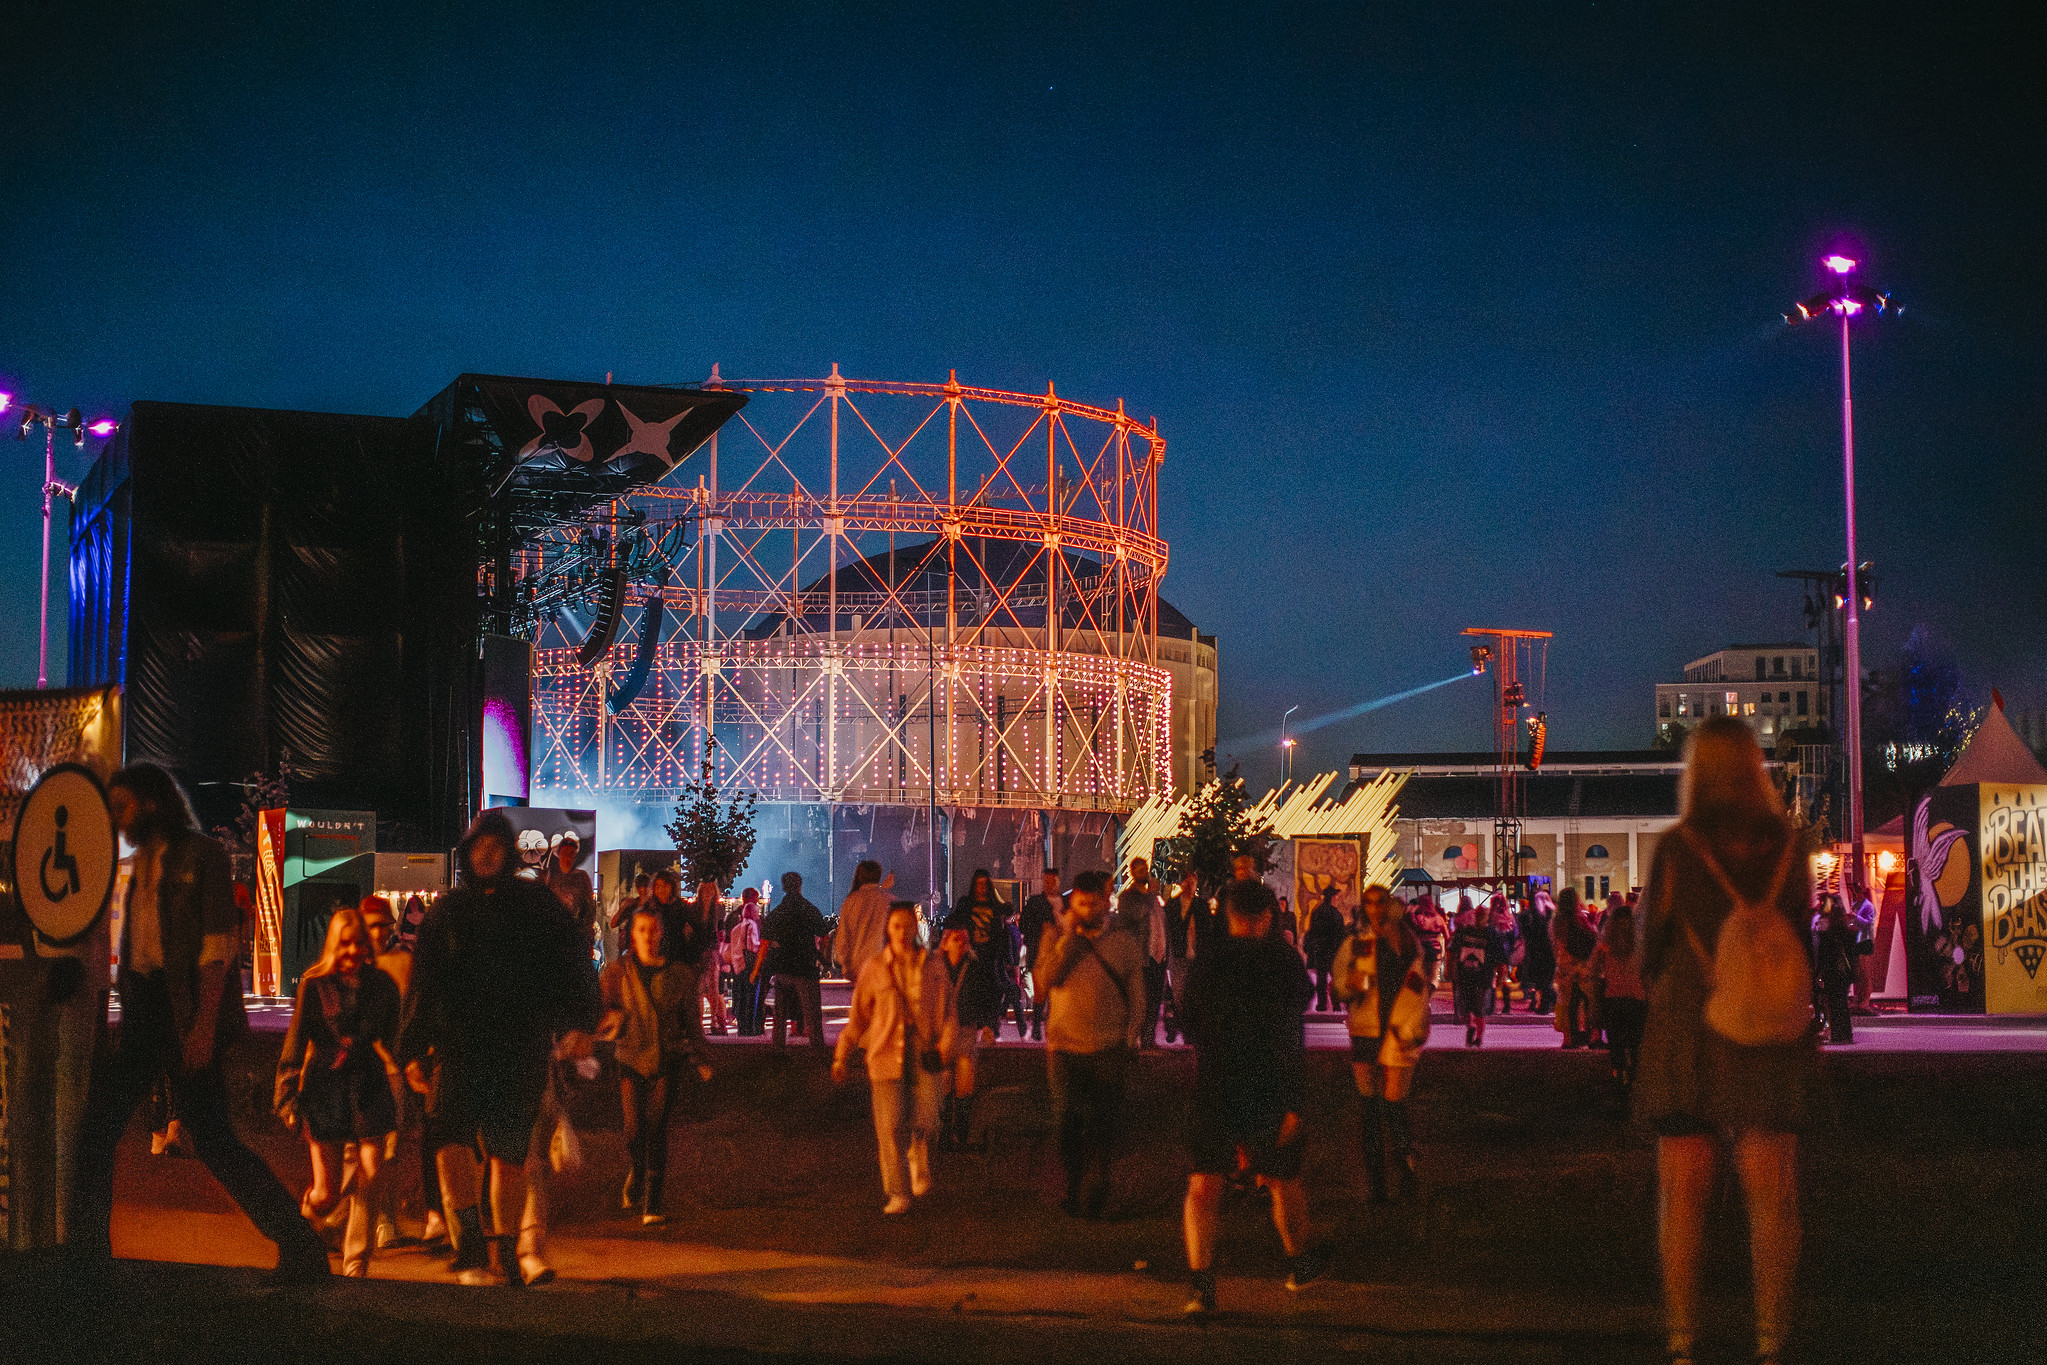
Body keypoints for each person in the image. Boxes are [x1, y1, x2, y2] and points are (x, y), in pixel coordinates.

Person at [72, 763, 332, 1281]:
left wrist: (203, 1025)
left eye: (123, 806)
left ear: (151, 802)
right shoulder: (138, 863)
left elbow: (217, 950)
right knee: (99, 1126)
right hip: (148, 1006)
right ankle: (86, 1253)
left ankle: (302, 1247)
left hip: (184, 1008)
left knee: (212, 1141)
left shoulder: (201, 856)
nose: (117, 818)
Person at [1638, 718, 1815, 1365]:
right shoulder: (1790, 847)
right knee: (1772, 1197)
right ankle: (1771, 1340)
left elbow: (1646, 949)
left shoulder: (1677, 849)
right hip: (1767, 1040)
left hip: (1689, 1032)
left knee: (1681, 1197)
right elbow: (1801, 936)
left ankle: (1683, 1340)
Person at [398, 809, 601, 1286]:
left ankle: (505, 1249)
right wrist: (411, 1049)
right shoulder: (448, 910)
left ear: (507, 852)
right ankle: (469, 1241)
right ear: (468, 851)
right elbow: (423, 981)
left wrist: (581, 1022)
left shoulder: (538, 905)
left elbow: (573, 965)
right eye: (479, 845)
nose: (487, 852)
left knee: (509, 1154)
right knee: (449, 1142)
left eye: (495, 845)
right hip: (459, 1046)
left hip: (519, 1045)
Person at [1177, 875, 1327, 1313]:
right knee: (1282, 1179)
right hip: (1268, 1083)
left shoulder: (1208, 961)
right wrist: (1295, 1100)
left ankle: (1201, 1285)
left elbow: (1190, 1024)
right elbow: (1291, 1028)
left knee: (1204, 1183)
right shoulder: (1281, 961)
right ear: (1266, 916)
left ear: (1228, 916)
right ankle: (1300, 1263)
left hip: (1216, 1082)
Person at [274, 905, 402, 1276]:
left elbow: (395, 1039)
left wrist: (416, 1066)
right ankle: (301, 1234)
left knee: (372, 1169)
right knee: (326, 1195)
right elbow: (295, 1046)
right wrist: (286, 1097)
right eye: (345, 944)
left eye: (359, 944)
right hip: (325, 1086)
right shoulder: (315, 986)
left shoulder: (382, 987)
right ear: (334, 945)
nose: (352, 952)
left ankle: (355, 1264)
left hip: (367, 1082)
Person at [832, 900, 959, 1214]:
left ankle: (919, 1151)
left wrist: (947, 1045)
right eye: (896, 926)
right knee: (889, 1126)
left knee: (928, 1118)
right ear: (888, 929)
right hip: (885, 1053)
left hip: (925, 1052)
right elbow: (858, 1017)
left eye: (907, 926)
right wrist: (841, 1055)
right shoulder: (875, 967)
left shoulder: (934, 964)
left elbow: (949, 1012)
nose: (902, 932)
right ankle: (897, 1192)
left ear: (916, 928)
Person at [1035, 868, 1144, 1218]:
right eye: (1080, 903)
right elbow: (1042, 985)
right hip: (1064, 1047)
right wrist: (1066, 939)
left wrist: (1132, 1033)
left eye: (1093, 903)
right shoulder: (1054, 936)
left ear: (1106, 904)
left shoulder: (1123, 941)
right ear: (1072, 904)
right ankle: (1073, 1184)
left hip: (1108, 1046)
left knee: (1103, 1123)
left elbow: (1137, 993)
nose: (1087, 910)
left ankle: (1098, 1188)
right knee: (1067, 1121)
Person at [599, 904, 713, 1226]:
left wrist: (703, 1059)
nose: (647, 937)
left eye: (653, 930)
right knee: (634, 1131)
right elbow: (600, 1009)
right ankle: (636, 1169)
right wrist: (609, 1019)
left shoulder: (679, 974)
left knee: (658, 1127)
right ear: (631, 935)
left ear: (661, 933)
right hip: (630, 1056)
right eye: (641, 930)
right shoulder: (617, 971)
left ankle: (653, 1201)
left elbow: (693, 1023)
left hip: (667, 1059)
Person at [1332, 884, 1430, 1204]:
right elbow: (1342, 988)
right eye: (1368, 903)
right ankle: (1377, 1186)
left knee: (1393, 1104)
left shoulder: (1406, 942)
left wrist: (1408, 1027)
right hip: (1364, 1030)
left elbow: (1418, 988)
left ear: (1389, 906)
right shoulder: (1358, 943)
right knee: (1370, 1109)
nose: (1374, 909)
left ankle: (1406, 1170)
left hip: (1396, 1031)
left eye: (1379, 902)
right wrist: (1349, 987)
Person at [359, 896, 423, 1252]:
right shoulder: (349, 965)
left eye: (383, 926)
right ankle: (358, 1217)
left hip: (393, 1068)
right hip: (366, 1067)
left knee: (390, 1147)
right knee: (361, 1149)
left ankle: (383, 1219)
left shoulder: (401, 964)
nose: (378, 933)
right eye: (372, 926)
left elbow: (412, 1015)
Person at [753, 871, 828, 1048]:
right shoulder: (809, 909)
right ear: (800, 886)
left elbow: (764, 943)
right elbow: (825, 936)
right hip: (805, 966)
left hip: (783, 966)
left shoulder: (778, 912)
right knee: (812, 1013)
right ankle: (818, 1048)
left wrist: (757, 969)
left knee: (780, 1014)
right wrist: (823, 958)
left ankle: (779, 1049)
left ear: (784, 887)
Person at [949, 869, 1016, 1055]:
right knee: (970, 992)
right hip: (971, 956)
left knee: (993, 991)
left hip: (990, 956)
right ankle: (972, 1028)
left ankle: (988, 1026)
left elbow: (1006, 916)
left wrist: (1005, 955)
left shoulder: (994, 907)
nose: (981, 888)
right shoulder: (966, 904)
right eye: (978, 884)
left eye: (984, 884)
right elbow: (954, 920)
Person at [1590, 901, 1647, 1088]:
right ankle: (1635, 1075)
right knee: (1635, 1041)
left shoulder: (1605, 948)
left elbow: (1593, 971)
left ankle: (1617, 1072)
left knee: (1615, 1040)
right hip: (1637, 998)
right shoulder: (1640, 946)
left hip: (1613, 998)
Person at [1115, 858, 1169, 1048]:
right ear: (1132, 873)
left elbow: (1161, 923)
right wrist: (1150, 896)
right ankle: (1133, 1038)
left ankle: (1149, 1038)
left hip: (1158, 956)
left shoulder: (1153, 897)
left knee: (1155, 1000)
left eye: (1145, 869)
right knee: (1141, 1001)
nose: (1143, 873)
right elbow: (1135, 916)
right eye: (1139, 870)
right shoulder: (1129, 898)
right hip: (1142, 956)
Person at [935, 919, 979, 1150]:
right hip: (942, 1030)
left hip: (965, 1029)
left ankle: (961, 1131)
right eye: (955, 939)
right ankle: (943, 1133)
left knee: (964, 1076)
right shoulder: (935, 967)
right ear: (945, 942)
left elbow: (984, 995)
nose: (960, 943)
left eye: (963, 939)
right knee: (944, 1080)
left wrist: (986, 1024)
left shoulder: (974, 966)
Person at [1448, 898, 1503, 1048]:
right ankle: (1473, 1029)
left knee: (1476, 1009)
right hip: (1471, 976)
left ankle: (1476, 1033)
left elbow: (1499, 959)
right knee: (1468, 1008)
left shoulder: (1490, 934)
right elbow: (1453, 953)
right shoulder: (1466, 932)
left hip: (1478, 977)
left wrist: (1498, 978)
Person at [1018, 868, 1062, 1041]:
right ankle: (1037, 1027)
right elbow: (1024, 926)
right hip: (1040, 954)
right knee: (1041, 992)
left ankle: (1051, 1027)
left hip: (1059, 953)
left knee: (1056, 993)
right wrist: (1040, 928)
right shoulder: (1036, 903)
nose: (1050, 884)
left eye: (1053, 881)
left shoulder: (1065, 901)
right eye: (1047, 881)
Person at [1552, 887, 1598, 1048]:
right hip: (1580, 967)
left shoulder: (1557, 921)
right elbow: (1592, 937)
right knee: (1585, 1002)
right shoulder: (1579, 919)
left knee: (1567, 1004)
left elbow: (1554, 945)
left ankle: (1569, 1038)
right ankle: (1588, 1035)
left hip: (1564, 967)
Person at [833, 859, 892, 984]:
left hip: (858, 965)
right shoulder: (888, 900)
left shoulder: (851, 900)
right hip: (885, 964)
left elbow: (843, 935)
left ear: (859, 876)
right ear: (879, 875)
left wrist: (844, 963)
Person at [542, 832, 599, 961]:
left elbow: (589, 910)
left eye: (571, 854)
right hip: (553, 937)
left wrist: (588, 940)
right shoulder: (548, 877)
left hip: (576, 937)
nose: (568, 857)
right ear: (559, 854)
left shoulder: (581, 877)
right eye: (565, 853)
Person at [1814, 899, 1858, 1046]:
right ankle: (1845, 1035)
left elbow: (1823, 955)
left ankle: (1836, 1035)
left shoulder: (1828, 933)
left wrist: (1819, 973)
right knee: (1842, 1004)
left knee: (1833, 1004)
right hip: (1845, 972)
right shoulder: (1848, 932)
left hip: (1832, 971)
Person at [1162, 876, 1200, 1043]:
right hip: (1177, 955)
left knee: (1191, 993)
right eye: (1188, 883)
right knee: (1177, 994)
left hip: (1195, 957)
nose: (1190, 887)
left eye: (1193, 883)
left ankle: (1187, 1031)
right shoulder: (1172, 905)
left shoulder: (1200, 906)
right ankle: (1177, 1026)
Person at [1301, 886, 1346, 1013]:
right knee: (1335, 979)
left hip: (1320, 951)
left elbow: (1312, 931)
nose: (1338, 899)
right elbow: (1339, 935)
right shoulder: (1335, 914)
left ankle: (1321, 1005)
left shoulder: (1317, 911)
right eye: (1337, 896)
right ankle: (1336, 1005)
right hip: (1332, 952)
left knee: (1321, 979)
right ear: (1333, 897)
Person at [728, 889, 765, 1035]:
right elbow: (752, 946)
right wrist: (762, 946)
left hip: (737, 965)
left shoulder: (735, 925)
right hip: (749, 965)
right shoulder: (752, 925)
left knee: (740, 997)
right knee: (751, 997)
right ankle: (750, 1027)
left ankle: (741, 1026)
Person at [1518, 890, 1558, 1014]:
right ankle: (1546, 1006)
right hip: (1550, 952)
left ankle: (1553, 1002)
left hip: (1538, 953)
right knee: (1546, 980)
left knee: (1542, 981)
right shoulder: (1553, 914)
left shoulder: (1535, 915)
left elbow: (1529, 933)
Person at [1489, 894, 1523, 1014]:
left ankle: (1491, 1005)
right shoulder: (1510, 918)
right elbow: (1515, 935)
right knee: (1503, 978)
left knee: (1491, 977)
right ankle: (1506, 1005)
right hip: (1505, 950)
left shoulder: (1490, 917)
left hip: (1491, 950)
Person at [1407, 895, 1447, 988]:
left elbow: (1412, 927)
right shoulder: (1438, 918)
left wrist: (1412, 911)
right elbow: (1447, 936)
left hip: (1421, 948)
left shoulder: (1420, 918)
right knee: (1433, 976)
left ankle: (1425, 997)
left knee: (1422, 975)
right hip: (1435, 948)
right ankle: (1430, 992)